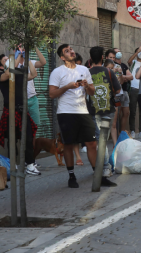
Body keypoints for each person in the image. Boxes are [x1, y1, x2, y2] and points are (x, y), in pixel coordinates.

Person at [49, 44, 99, 188]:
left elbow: (92, 92)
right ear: (62, 57)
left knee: (92, 143)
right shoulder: (57, 72)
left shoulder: (84, 70)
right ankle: (71, 176)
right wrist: (67, 87)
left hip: (83, 111)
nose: (71, 51)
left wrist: (87, 86)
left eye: (71, 49)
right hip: (66, 113)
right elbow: (52, 94)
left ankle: (96, 172)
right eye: (67, 51)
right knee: (69, 145)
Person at [0, 53, 40, 176]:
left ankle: (30, 164)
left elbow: (34, 74)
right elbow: (9, 72)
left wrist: (27, 58)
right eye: (5, 60)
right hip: (10, 111)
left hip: (23, 110)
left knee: (29, 138)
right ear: (0, 67)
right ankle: (13, 164)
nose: (9, 61)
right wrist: (17, 55)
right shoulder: (1, 75)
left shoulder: (19, 74)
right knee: (12, 140)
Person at [88, 47, 120, 186]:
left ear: (90, 58)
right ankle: (105, 167)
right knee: (104, 140)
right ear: (102, 57)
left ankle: (103, 167)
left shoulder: (86, 73)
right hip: (108, 110)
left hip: (93, 111)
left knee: (100, 139)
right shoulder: (109, 71)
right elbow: (118, 90)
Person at [15, 45, 47, 127]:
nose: (22, 49)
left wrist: (35, 47)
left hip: (32, 98)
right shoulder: (12, 63)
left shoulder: (31, 62)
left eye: (23, 47)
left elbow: (43, 62)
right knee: (20, 126)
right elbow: (13, 68)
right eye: (20, 47)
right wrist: (18, 55)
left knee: (35, 125)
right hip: (20, 101)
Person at [112, 48, 133, 135]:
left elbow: (131, 77)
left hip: (125, 91)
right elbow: (118, 79)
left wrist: (123, 77)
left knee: (126, 112)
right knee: (117, 113)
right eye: (116, 52)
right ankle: (116, 133)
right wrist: (124, 77)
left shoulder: (124, 65)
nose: (119, 53)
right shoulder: (113, 65)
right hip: (117, 92)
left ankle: (122, 132)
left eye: (119, 51)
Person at [127, 46, 141, 139]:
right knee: (132, 110)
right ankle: (132, 130)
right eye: (140, 52)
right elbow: (129, 61)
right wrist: (137, 51)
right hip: (133, 88)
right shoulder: (133, 62)